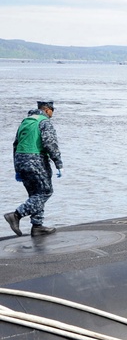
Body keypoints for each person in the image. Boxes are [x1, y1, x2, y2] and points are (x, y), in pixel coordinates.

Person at [5, 100, 63, 237]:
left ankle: (37, 226)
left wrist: (17, 169)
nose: (52, 114)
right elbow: (50, 144)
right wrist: (58, 164)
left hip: (20, 160)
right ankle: (16, 215)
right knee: (45, 192)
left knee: (35, 194)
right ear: (47, 110)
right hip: (36, 160)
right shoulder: (44, 122)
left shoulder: (25, 122)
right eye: (52, 111)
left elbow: (15, 145)